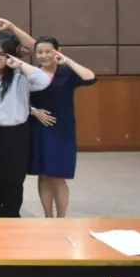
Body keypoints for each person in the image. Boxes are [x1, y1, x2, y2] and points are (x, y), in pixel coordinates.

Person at [0, 34, 51, 218]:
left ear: (10, 56)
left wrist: (20, 64)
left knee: (13, 181)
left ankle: (12, 216)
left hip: (16, 135)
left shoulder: (20, 76)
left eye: (2, 54)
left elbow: (44, 81)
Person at [29, 37, 97, 218]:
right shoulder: (32, 72)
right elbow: (19, 97)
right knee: (44, 175)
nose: (44, 55)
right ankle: (48, 217)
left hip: (62, 130)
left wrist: (67, 61)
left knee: (58, 176)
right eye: (40, 52)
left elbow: (90, 77)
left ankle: (61, 218)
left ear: (58, 51)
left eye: (48, 51)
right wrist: (34, 111)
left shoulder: (66, 72)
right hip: (39, 128)